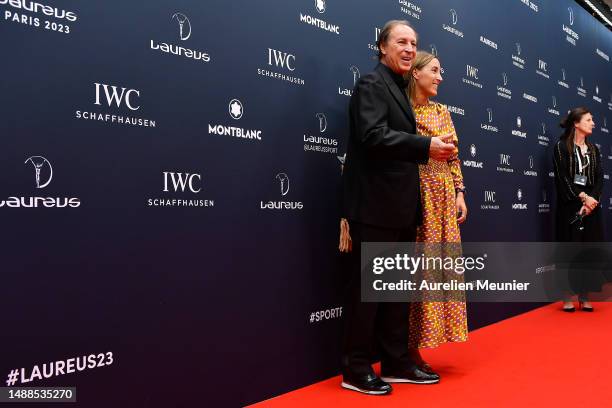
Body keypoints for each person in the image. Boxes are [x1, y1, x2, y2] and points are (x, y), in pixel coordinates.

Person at [339, 20, 456, 395]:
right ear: (382, 47)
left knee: (396, 291)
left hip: (401, 208)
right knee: (370, 292)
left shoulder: (398, 89)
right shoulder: (372, 84)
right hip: (375, 207)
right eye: (401, 42)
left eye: (414, 43)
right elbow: (371, 135)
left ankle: (394, 362)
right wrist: (425, 146)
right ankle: (356, 369)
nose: (409, 48)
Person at [402, 51, 468, 368]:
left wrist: (459, 192)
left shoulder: (442, 111)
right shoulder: (400, 111)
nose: (440, 77)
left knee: (439, 271)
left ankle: (425, 341)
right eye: (435, 70)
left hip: (442, 196)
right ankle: (405, 349)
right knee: (416, 271)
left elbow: (453, 156)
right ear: (416, 73)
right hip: (415, 194)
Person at [552, 107, 604, 312]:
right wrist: (581, 197)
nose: (593, 123)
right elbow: (562, 177)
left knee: (588, 251)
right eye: (589, 119)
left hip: (591, 206)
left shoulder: (594, 149)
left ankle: (584, 295)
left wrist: (592, 200)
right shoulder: (561, 147)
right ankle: (566, 296)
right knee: (569, 250)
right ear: (576, 123)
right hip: (570, 206)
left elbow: (600, 178)